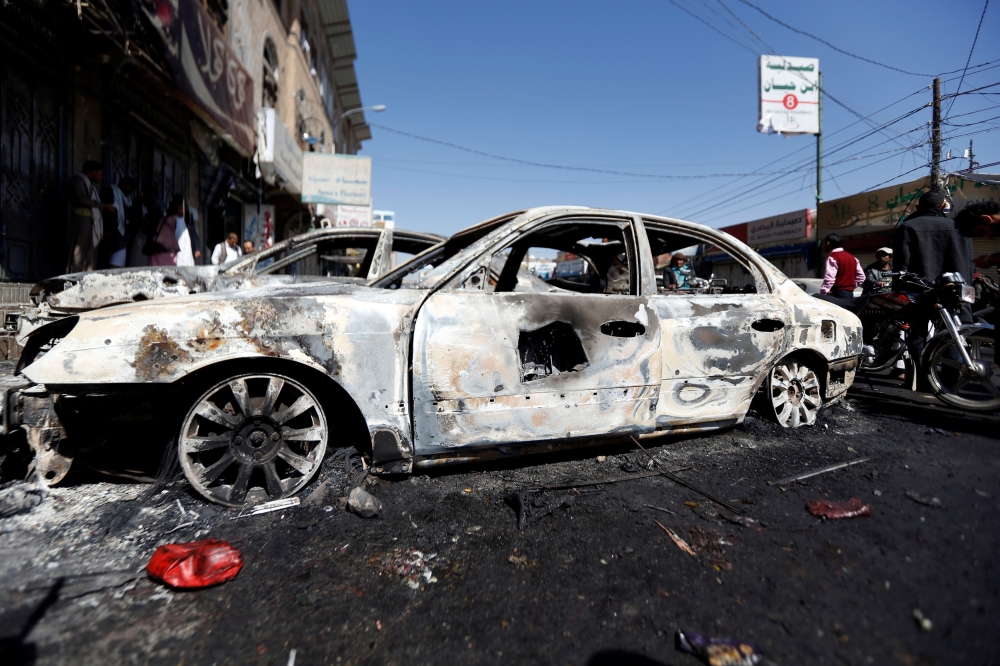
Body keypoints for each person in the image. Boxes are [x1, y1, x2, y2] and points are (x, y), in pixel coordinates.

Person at [891, 190, 971, 284]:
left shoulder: (908, 227)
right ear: (943, 206)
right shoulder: (960, 228)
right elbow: (969, 264)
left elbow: (901, 265)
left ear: (917, 207)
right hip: (957, 292)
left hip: (921, 292)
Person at [67, 161, 115, 272]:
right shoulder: (78, 180)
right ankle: (74, 278)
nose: (101, 177)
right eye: (100, 173)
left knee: (89, 252)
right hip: (82, 220)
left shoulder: (88, 183)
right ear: (93, 172)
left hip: (90, 221)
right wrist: (103, 205)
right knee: (79, 252)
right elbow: (81, 198)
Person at [99, 176, 138, 268]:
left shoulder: (125, 198)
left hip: (122, 232)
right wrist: (107, 228)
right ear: (124, 185)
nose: (131, 191)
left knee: (118, 257)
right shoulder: (110, 192)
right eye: (130, 188)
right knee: (113, 258)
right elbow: (106, 211)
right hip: (111, 230)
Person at [819, 234, 864, 299]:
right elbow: (861, 277)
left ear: (828, 243)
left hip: (837, 294)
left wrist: (823, 293)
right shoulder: (853, 258)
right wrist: (850, 286)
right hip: (850, 293)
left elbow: (829, 278)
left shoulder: (832, 257)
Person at [146, 195, 184, 266]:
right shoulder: (173, 218)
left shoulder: (151, 218)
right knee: (169, 273)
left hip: (156, 249)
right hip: (169, 249)